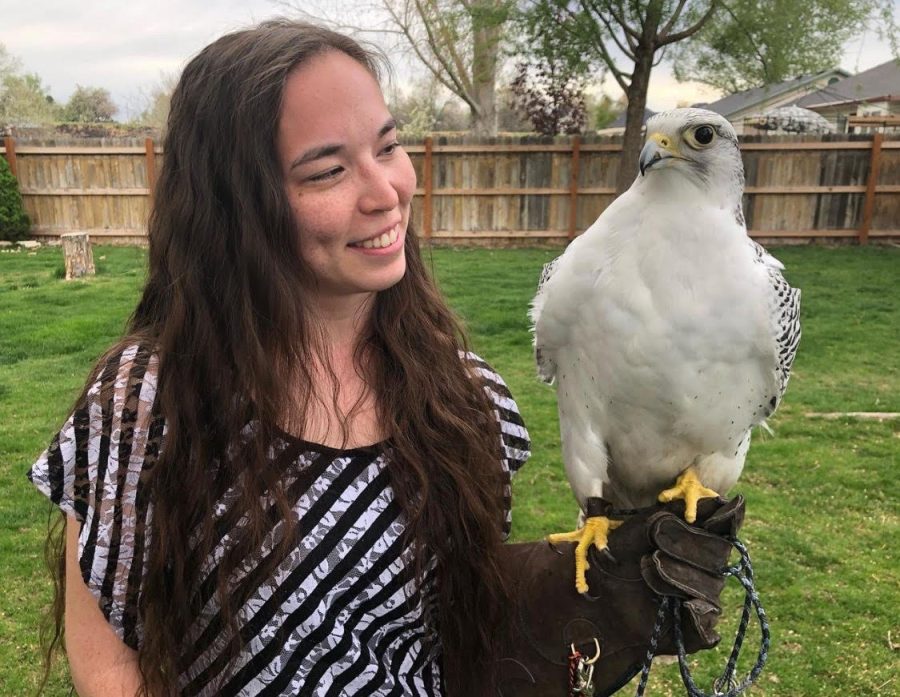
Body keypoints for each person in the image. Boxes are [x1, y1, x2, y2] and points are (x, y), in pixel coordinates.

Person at [28, 19, 742, 697]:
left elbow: (451, 640)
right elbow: (113, 662)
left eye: (388, 145)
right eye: (328, 170)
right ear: (238, 206)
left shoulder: (466, 399)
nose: (387, 191)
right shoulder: (145, 402)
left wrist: (580, 595)